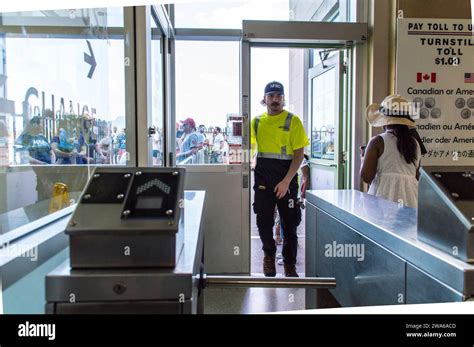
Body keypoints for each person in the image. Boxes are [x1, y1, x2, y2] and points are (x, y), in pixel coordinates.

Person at [251, 81, 309, 277]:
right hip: (263, 180)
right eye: (271, 96)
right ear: (264, 99)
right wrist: (242, 160)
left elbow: (299, 155)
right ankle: (269, 256)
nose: (275, 99)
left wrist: (286, 182)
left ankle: (289, 264)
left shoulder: (293, 121)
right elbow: (247, 149)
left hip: (287, 179)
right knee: (263, 221)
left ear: (283, 99)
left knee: (289, 223)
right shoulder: (257, 122)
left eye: (278, 96)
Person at [360, 94, 422, 208]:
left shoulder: (377, 142)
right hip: (411, 199)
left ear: (384, 121)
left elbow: (366, 177)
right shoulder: (415, 144)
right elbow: (416, 176)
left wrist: (363, 158)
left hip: (383, 198)